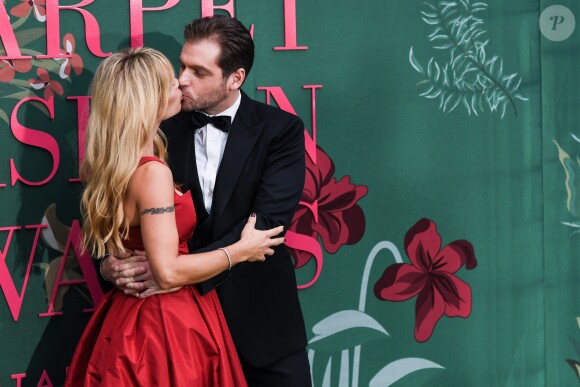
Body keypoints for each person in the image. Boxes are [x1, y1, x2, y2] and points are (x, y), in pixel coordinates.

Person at [101, 15, 312, 386]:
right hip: (180, 335)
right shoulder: (158, 127)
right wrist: (108, 265)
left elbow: (264, 228)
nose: (182, 79)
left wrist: (171, 273)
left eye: (198, 71)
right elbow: (118, 212)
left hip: (261, 326)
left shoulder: (281, 130)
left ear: (235, 79)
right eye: (182, 65)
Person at [66, 47, 286, 386]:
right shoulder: (153, 173)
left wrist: (114, 265)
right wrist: (241, 251)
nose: (181, 85)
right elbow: (167, 273)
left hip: (128, 317)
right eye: (171, 83)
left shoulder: (114, 164)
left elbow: (132, 247)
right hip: (166, 325)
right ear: (148, 100)